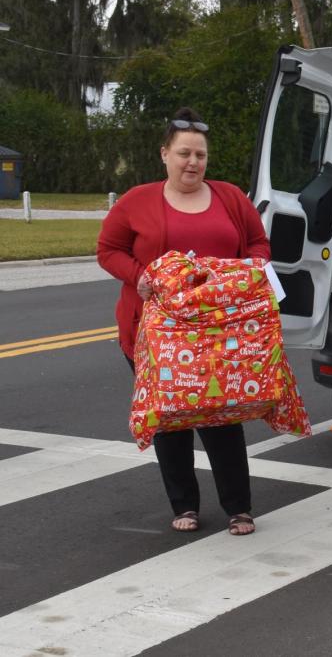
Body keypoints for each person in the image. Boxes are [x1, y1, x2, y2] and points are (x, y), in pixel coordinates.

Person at [97, 107, 270, 536]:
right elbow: (108, 249)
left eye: (200, 155)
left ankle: (238, 507)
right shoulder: (137, 200)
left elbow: (258, 244)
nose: (193, 162)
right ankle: (185, 505)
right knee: (170, 420)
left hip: (220, 333)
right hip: (154, 333)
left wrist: (246, 272)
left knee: (221, 417)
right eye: (184, 154)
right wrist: (141, 278)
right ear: (165, 154)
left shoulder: (231, 197)